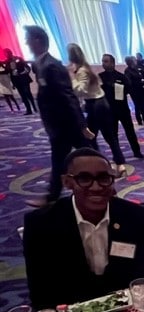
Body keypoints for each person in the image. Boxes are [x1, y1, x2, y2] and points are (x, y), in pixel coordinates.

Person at [23, 148, 144, 310]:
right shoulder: (42, 224)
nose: (96, 187)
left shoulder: (134, 216)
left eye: (103, 178)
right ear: (67, 182)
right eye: (84, 179)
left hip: (126, 308)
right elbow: (40, 292)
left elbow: (143, 277)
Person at [24, 25, 94, 207]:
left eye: (28, 39)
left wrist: (81, 124)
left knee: (79, 156)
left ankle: (53, 195)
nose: (26, 43)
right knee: (80, 155)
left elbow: (67, 95)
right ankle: (102, 180)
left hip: (66, 123)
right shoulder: (40, 64)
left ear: (37, 40)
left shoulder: (51, 66)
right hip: (59, 124)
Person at [67, 43, 127, 177]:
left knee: (90, 137)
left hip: (96, 105)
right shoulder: (87, 68)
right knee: (108, 136)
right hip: (99, 103)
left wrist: (71, 79)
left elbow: (80, 90)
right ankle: (119, 164)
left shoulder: (81, 71)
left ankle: (102, 166)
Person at [99, 54, 144, 159]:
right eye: (103, 61)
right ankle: (117, 155)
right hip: (109, 110)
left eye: (106, 61)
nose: (103, 64)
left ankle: (136, 151)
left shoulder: (121, 77)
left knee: (130, 131)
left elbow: (129, 89)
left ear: (112, 63)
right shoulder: (100, 77)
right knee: (113, 134)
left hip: (122, 108)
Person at [4, 49, 36, 115]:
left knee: (28, 93)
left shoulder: (18, 58)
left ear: (10, 53)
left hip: (24, 78)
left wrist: (24, 72)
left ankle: (34, 107)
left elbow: (27, 67)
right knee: (23, 95)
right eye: (5, 54)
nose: (6, 55)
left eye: (6, 53)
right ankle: (28, 110)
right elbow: (7, 71)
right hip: (16, 80)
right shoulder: (7, 62)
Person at [124, 56, 144, 125]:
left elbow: (141, 76)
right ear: (131, 62)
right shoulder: (127, 71)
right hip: (134, 91)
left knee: (142, 105)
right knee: (137, 105)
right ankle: (139, 121)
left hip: (140, 89)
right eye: (134, 60)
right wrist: (139, 82)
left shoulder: (136, 68)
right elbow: (129, 82)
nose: (136, 61)